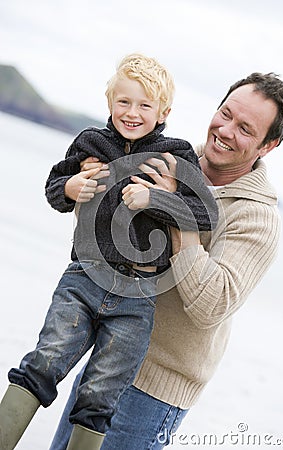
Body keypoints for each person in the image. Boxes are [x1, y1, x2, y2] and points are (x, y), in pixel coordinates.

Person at [49, 72, 283, 450]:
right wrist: (88, 185)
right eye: (226, 114)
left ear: (269, 145)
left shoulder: (259, 219)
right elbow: (103, 241)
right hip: (106, 360)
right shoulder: (167, 160)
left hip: (153, 392)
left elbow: (211, 304)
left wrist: (176, 210)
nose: (226, 130)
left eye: (245, 128)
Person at [0, 54, 218, 450]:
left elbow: (205, 213)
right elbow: (56, 183)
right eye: (123, 102)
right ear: (109, 102)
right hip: (83, 279)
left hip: (138, 298)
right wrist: (71, 187)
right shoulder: (90, 141)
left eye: (144, 105)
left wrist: (156, 197)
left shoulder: (177, 154)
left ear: (164, 111)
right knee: (44, 361)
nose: (132, 113)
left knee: (101, 396)